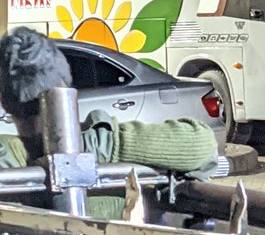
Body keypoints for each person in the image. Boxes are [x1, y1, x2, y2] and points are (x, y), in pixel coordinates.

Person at [0, 27, 219, 181]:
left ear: (5, 104)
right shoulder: (106, 145)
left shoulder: (9, 160)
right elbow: (203, 146)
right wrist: (95, 144)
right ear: (69, 87)